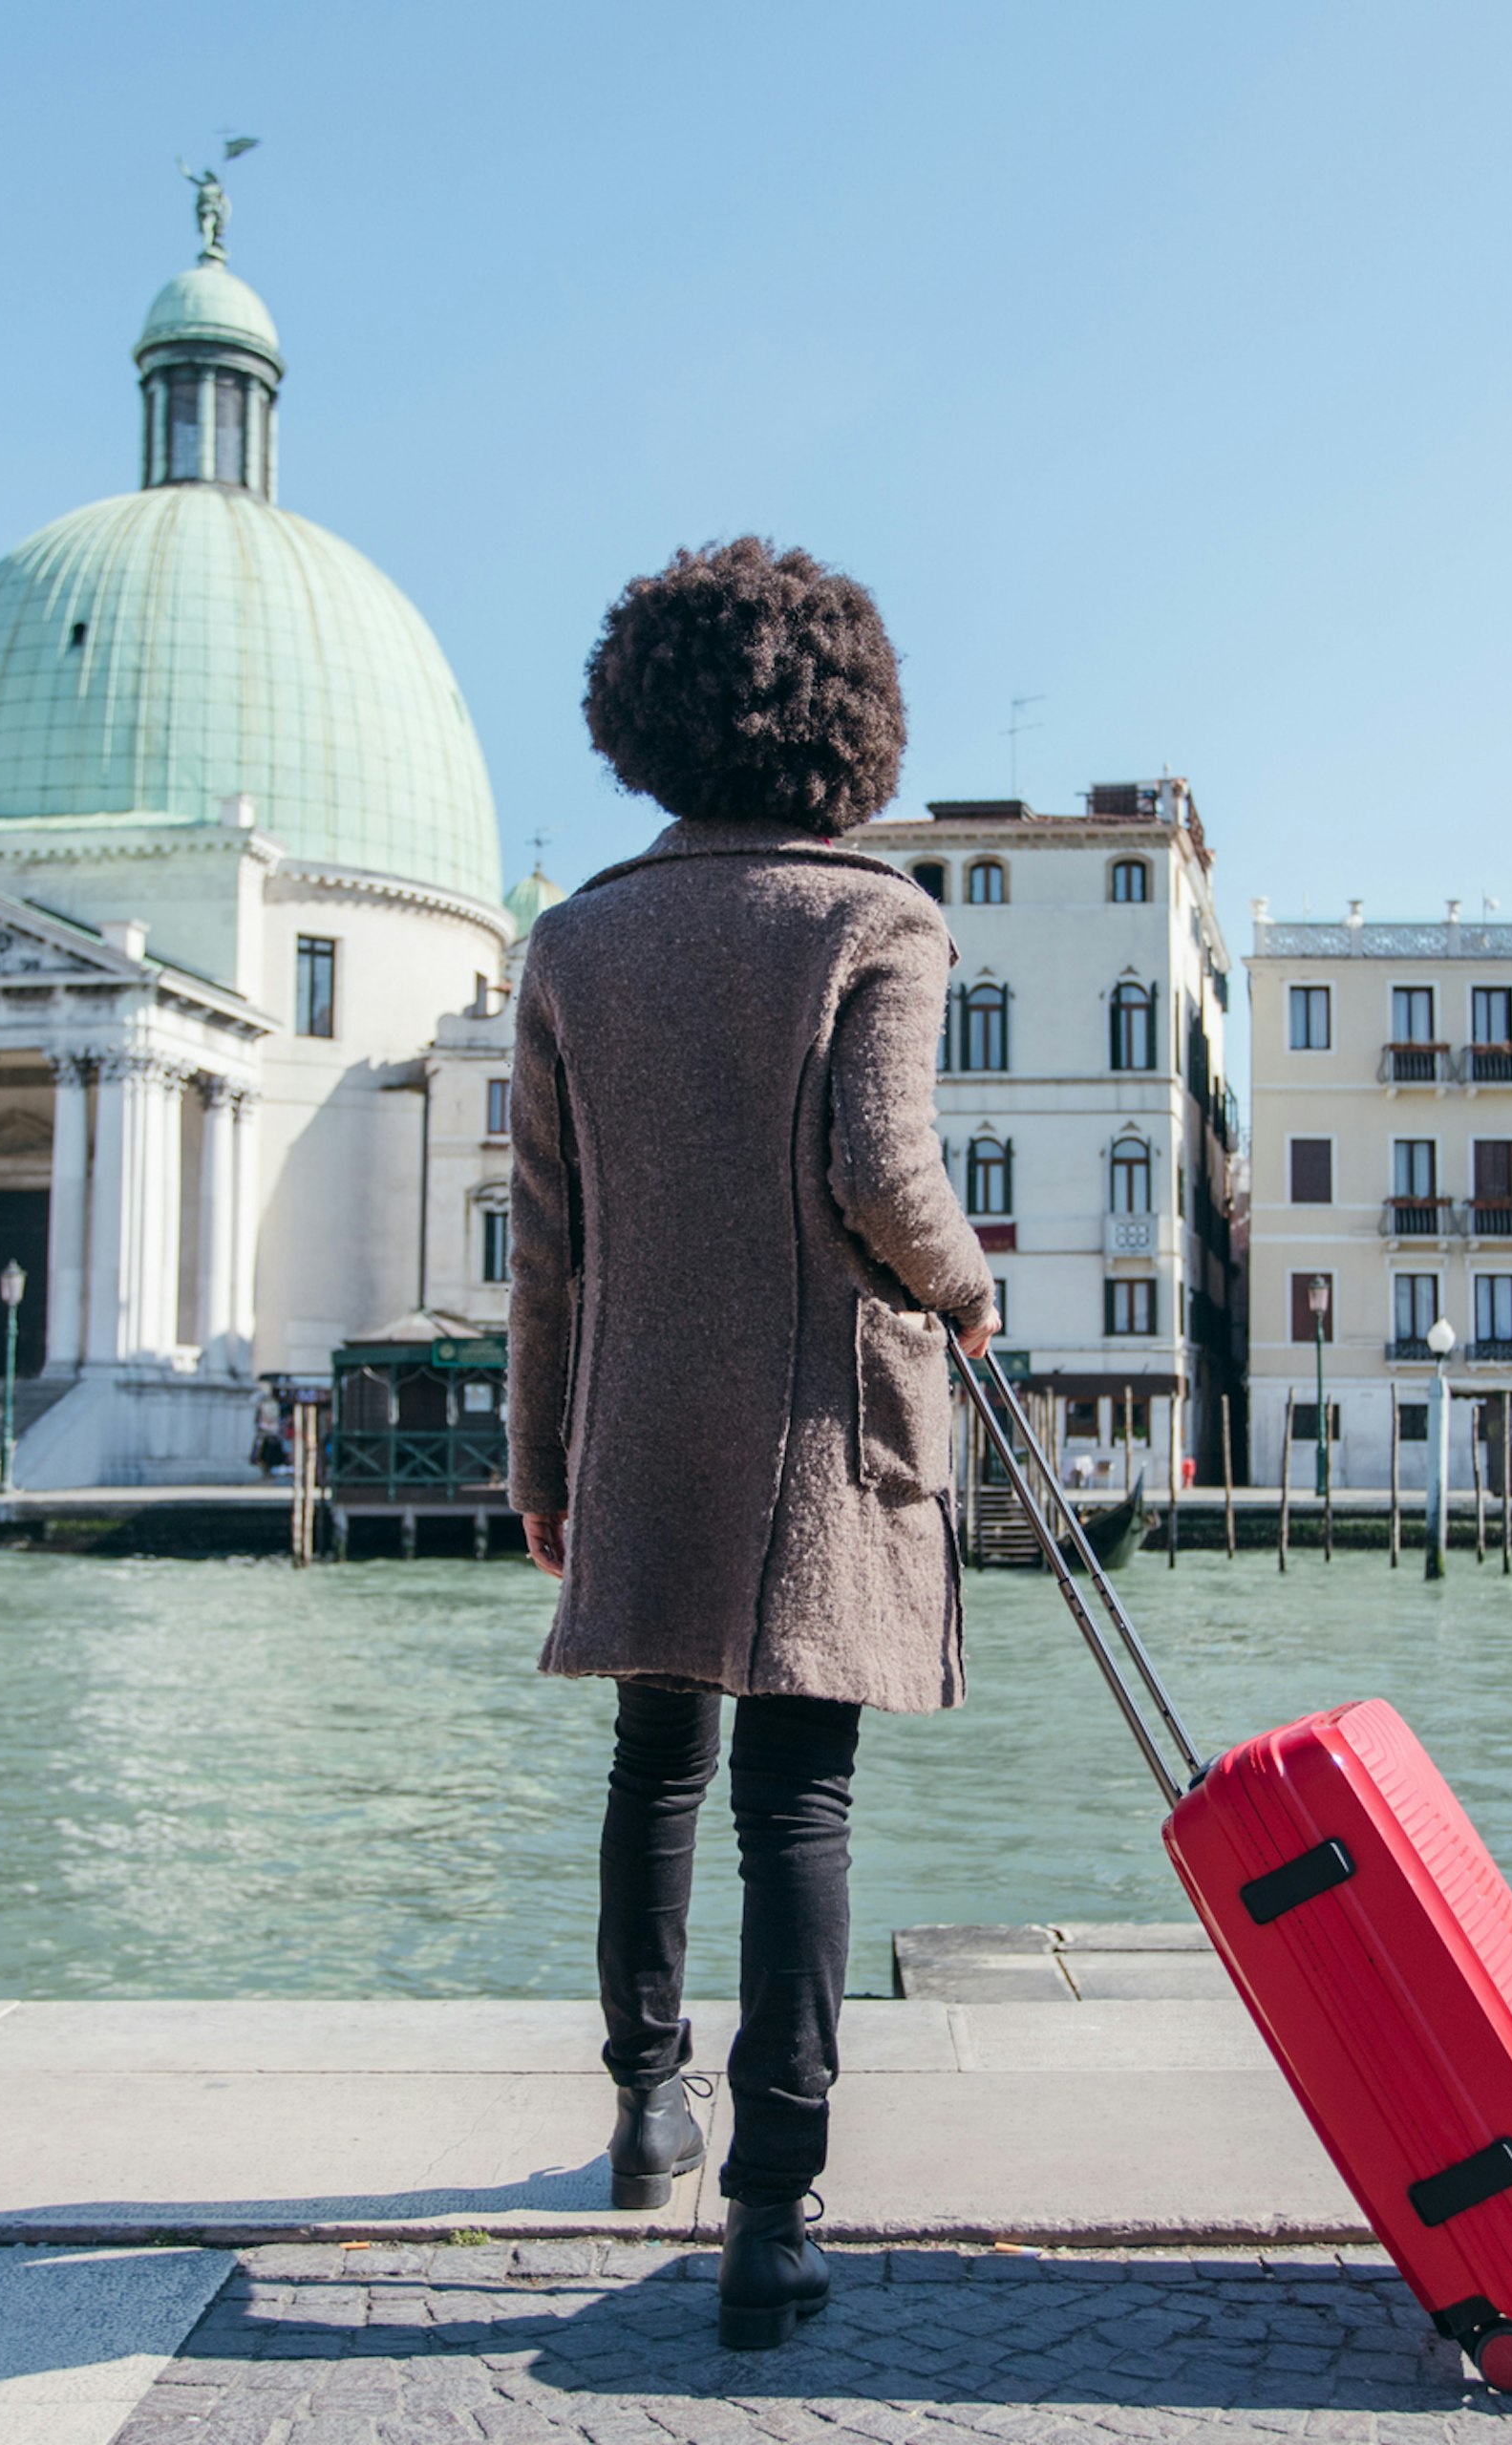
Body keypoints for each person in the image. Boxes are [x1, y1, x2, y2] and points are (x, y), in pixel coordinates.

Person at [507, 538, 996, 2351]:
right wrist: (965, 1291)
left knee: (658, 1765)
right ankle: (772, 2217)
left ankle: (645, 2107)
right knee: (802, 1792)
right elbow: (884, 1174)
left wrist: (540, 1466)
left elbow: (542, 1244)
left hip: (636, 1409)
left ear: (649, 725)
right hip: (823, 1422)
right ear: (850, 729)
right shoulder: (877, 919)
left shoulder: (575, 939)